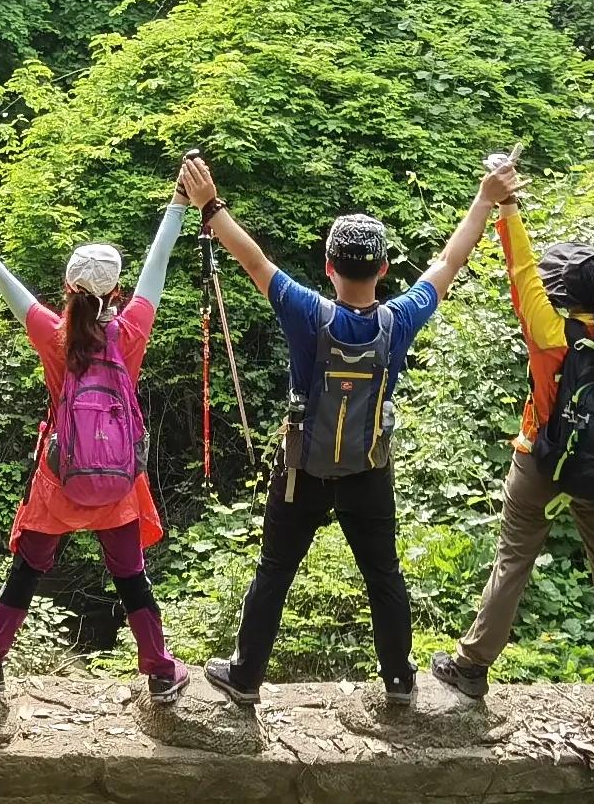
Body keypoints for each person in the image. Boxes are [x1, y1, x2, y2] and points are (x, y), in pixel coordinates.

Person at [188, 152, 517, 710]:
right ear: (384, 269)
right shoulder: (399, 319)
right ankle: (399, 682)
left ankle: (245, 677)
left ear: (328, 266)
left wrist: (210, 207)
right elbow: (448, 264)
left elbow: (255, 261)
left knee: (275, 570)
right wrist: (485, 200)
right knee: (383, 575)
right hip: (368, 470)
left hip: (303, 472)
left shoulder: (308, 314)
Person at [428, 157, 594, 710]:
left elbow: (520, 266)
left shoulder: (551, 332)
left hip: (541, 460)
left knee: (514, 559)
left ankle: (473, 666)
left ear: (564, 292)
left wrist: (505, 203)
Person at [0, 190, 189, 698]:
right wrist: (178, 205)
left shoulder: (53, 334)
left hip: (61, 476)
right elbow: (156, 267)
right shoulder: (132, 330)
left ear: (68, 287)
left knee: (28, 568)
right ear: (117, 291)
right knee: (130, 574)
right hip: (119, 478)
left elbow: (4, 282)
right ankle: (160, 669)